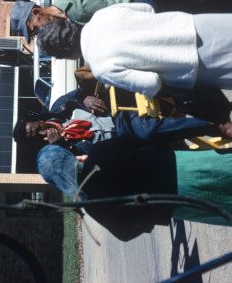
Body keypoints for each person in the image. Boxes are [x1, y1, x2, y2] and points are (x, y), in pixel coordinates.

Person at [37, 142, 232, 241]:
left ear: (58, 182)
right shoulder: (100, 152)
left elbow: (126, 234)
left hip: (181, 205)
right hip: (183, 165)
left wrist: (147, 216)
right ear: (68, 156)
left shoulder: (93, 206)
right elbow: (138, 139)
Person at [36, 3, 232, 97]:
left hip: (194, 64)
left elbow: (152, 83)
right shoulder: (100, 15)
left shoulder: (100, 68)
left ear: (63, 55)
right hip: (192, 24)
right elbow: (146, 8)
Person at [13, 84, 232, 156]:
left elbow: (79, 92)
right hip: (114, 148)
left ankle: (215, 126)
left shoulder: (59, 107)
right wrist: (62, 143)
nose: (40, 134)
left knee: (146, 132)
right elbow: (84, 161)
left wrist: (86, 98)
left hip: (119, 122)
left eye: (35, 128)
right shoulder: (55, 149)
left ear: (35, 120)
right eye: (35, 137)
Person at [10, 0, 232, 43]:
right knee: (201, 32)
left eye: (35, 28)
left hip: (147, 6)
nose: (40, 32)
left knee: (202, 10)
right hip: (141, 29)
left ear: (37, 12)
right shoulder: (70, 32)